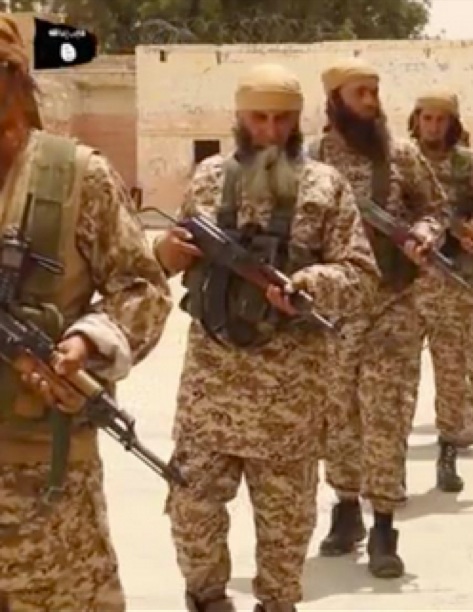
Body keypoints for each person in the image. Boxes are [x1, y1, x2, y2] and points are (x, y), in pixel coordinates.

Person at [155, 63, 379, 611]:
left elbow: (361, 274)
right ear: (239, 117)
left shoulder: (325, 186)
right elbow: (174, 252)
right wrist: (164, 252)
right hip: (211, 388)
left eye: (283, 119)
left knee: (285, 532)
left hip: (289, 397)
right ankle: (208, 600)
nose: (271, 131)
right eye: (259, 118)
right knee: (191, 512)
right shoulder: (208, 178)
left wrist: (310, 285)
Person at [0, 15, 173, 610]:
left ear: (15, 80)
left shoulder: (77, 175)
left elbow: (142, 289)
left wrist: (88, 343)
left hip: (44, 485)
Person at [307, 59, 448, 560]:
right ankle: (347, 508)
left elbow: (435, 209)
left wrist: (424, 235)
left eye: (374, 91)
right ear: (335, 101)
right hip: (334, 310)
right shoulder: (311, 159)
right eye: (359, 93)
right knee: (338, 411)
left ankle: (385, 521)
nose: (370, 101)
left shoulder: (401, 154)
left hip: (394, 301)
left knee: (386, 411)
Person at [407, 90, 473, 489]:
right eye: (427, 118)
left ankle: (447, 452)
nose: (433, 127)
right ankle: (389, 464)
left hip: (452, 279)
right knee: (398, 376)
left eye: (441, 119)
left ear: (453, 123)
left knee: (451, 371)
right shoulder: (400, 159)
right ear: (416, 120)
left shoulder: (470, 164)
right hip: (405, 281)